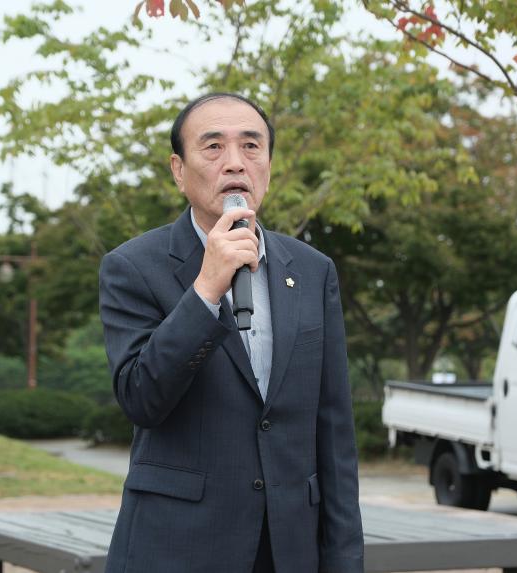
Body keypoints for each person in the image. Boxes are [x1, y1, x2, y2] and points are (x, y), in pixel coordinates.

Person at [99, 92, 364, 573]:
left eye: (251, 146)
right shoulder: (132, 267)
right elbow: (141, 398)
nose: (236, 162)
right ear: (179, 170)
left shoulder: (312, 270)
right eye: (214, 147)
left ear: (268, 165)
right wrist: (206, 289)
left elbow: (334, 431)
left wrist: (344, 561)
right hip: (177, 548)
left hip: (289, 549)